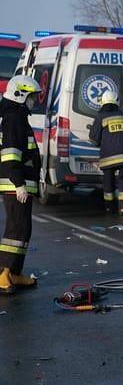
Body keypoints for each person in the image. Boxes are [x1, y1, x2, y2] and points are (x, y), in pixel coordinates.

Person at [0, 76, 42, 294]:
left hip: (20, 183)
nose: (34, 101)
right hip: (14, 184)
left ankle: (14, 272)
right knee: (15, 229)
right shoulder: (13, 118)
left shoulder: (18, 116)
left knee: (23, 228)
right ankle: (3, 273)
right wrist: (18, 184)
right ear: (20, 95)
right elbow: (10, 154)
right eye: (32, 97)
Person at [89, 90, 123, 214]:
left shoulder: (101, 117)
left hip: (107, 157)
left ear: (102, 102)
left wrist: (99, 142)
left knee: (108, 181)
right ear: (117, 102)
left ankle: (109, 206)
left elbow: (93, 139)